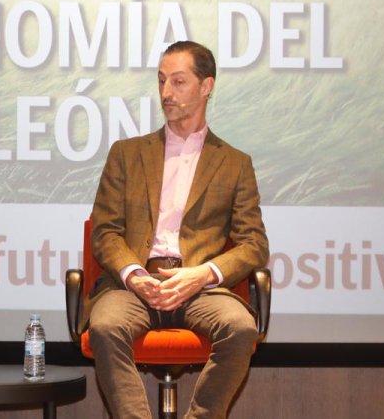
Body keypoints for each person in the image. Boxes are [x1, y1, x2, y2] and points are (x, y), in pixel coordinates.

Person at [84, 40, 269, 419]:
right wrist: (135, 276)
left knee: (240, 327)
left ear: (207, 87)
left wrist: (201, 275)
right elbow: (104, 231)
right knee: (104, 327)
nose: (166, 93)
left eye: (179, 82)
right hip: (135, 285)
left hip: (199, 287)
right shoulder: (126, 153)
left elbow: (254, 244)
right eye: (162, 81)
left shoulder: (235, 163)